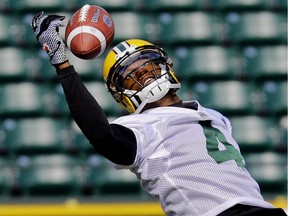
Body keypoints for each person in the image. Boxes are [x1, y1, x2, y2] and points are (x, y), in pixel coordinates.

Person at [31, 12, 287, 216]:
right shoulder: (142, 127)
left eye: (148, 64)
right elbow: (101, 135)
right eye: (129, 75)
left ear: (166, 65)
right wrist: (62, 64)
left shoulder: (214, 116)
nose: (142, 72)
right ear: (121, 95)